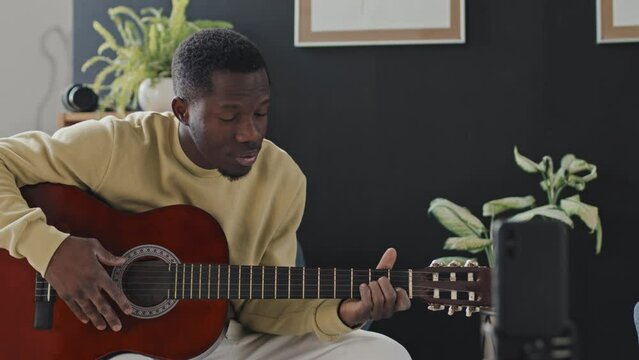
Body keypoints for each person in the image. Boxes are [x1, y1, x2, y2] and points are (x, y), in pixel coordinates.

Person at [0, 29, 412, 359]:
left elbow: (262, 307)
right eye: (229, 116)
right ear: (182, 110)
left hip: (226, 340)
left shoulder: (282, 179)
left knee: (381, 352)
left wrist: (345, 313)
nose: (250, 133)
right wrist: (50, 250)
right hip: (128, 347)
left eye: (261, 112)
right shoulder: (114, 145)